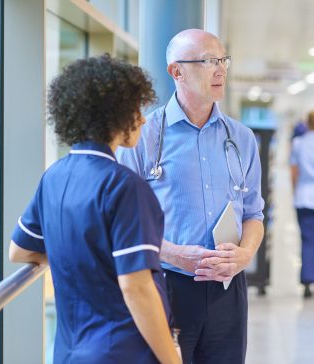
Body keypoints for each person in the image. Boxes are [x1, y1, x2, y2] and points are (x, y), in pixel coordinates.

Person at [9, 54, 181, 364]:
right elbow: (137, 288)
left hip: (68, 352)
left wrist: (83, 259)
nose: (143, 120)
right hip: (122, 352)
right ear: (113, 116)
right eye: (136, 110)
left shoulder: (54, 177)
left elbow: (19, 251)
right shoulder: (124, 187)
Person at [116, 29, 265, 364]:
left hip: (228, 292)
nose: (220, 70)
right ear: (176, 71)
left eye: (222, 60)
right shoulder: (143, 137)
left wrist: (244, 255)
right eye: (208, 61)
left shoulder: (241, 138)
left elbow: (254, 213)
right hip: (167, 286)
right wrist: (173, 253)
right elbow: (123, 224)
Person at [290, 110, 314, 298]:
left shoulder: (299, 143)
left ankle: (307, 280)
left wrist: (294, 192)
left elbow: (294, 172)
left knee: (307, 240)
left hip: (304, 197)